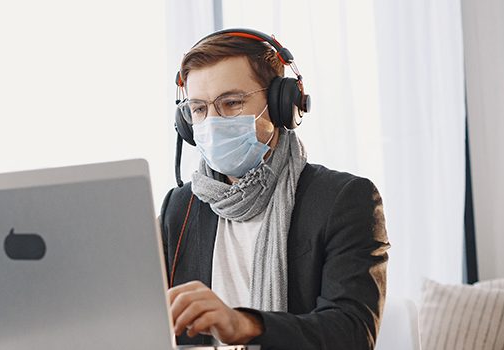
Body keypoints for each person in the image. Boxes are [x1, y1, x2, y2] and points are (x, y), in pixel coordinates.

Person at [159, 28, 390, 349]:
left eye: (232, 102)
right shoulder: (179, 207)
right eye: (199, 109)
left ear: (282, 105)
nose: (213, 122)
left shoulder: (344, 199)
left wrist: (242, 323)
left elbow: (352, 332)